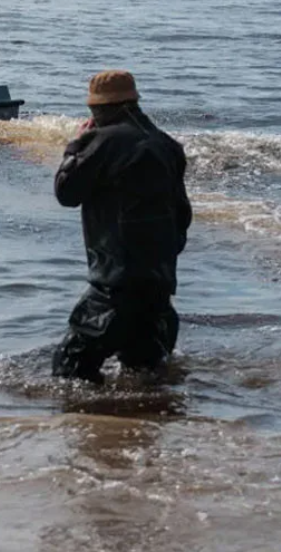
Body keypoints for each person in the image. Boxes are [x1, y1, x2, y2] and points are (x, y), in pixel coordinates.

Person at [51, 70, 192, 383]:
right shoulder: (167, 145)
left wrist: (76, 145)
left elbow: (66, 193)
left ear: (100, 109)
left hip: (112, 293)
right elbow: (183, 218)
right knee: (147, 380)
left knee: (67, 375)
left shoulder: (104, 141)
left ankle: (91, 429)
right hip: (159, 294)